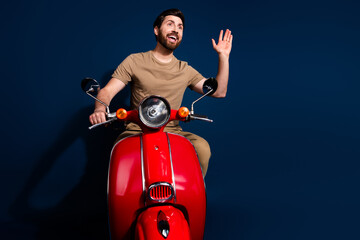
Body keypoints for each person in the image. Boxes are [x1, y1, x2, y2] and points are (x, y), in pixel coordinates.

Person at [89, 8, 233, 177]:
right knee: (120, 153)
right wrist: (99, 110)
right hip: (137, 130)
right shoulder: (135, 61)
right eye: (170, 24)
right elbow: (107, 91)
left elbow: (219, 92)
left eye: (180, 27)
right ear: (156, 30)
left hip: (173, 131)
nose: (176, 29)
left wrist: (223, 56)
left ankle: (189, 196)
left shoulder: (184, 69)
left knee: (202, 147)